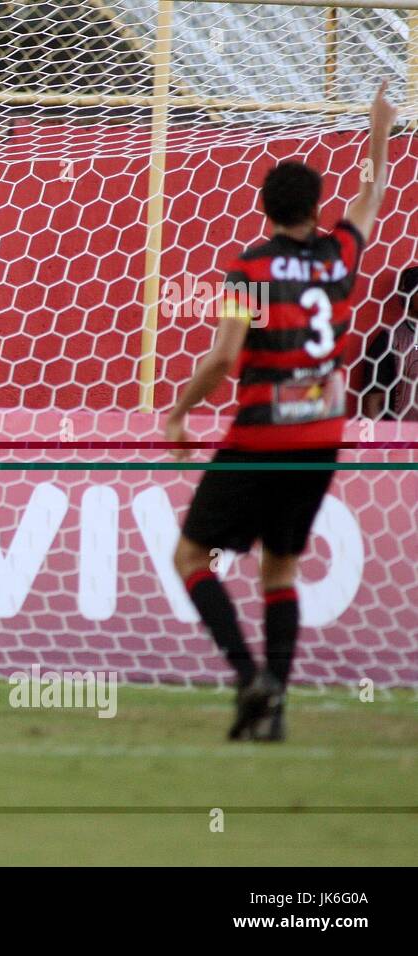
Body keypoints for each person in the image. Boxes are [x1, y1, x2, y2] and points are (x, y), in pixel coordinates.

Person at [164, 83, 396, 742]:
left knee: (191, 556)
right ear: (316, 209)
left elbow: (221, 360)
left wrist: (178, 412)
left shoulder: (249, 269)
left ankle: (247, 676)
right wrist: (379, 129)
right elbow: (372, 195)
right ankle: (278, 704)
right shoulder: (340, 255)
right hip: (322, 435)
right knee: (281, 569)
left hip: (262, 434)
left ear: (264, 210)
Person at [361, 265, 418, 420]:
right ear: (408, 296)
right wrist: (378, 442)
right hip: (405, 437)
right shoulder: (390, 340)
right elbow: (373, 401)